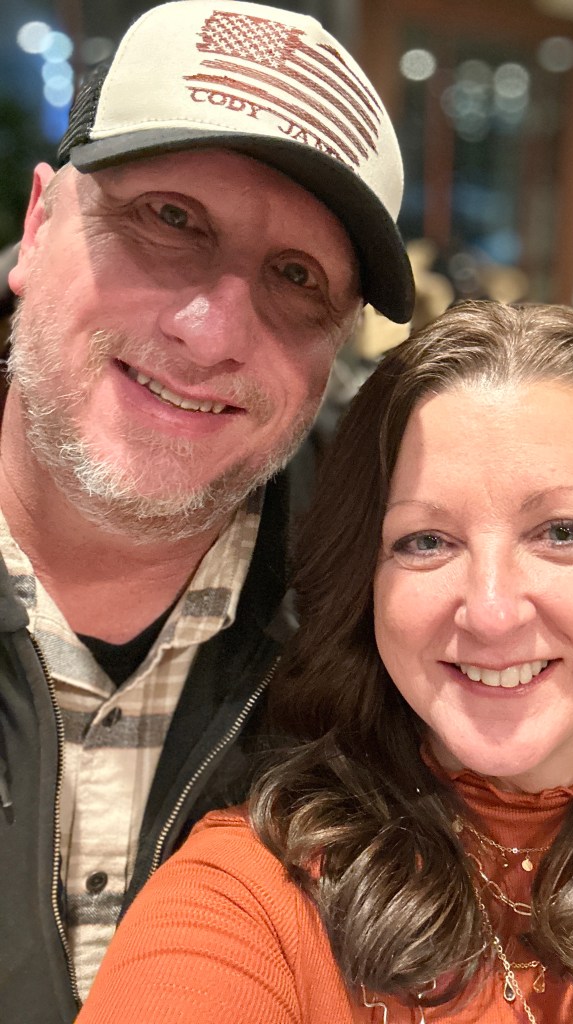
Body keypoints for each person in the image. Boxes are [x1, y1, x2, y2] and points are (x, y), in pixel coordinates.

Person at [78, 301, 573, 1023]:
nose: (493, 611)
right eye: (425, 541)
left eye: (564, 532)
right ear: (366, 580)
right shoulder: (251, 902)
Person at [0, 1, 414, 1019]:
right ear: (38, 224)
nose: (211, 331)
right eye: (170, 219)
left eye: (296, 277)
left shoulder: (394, 632)